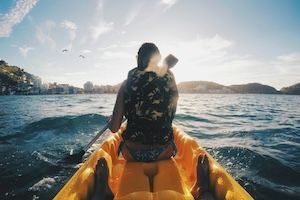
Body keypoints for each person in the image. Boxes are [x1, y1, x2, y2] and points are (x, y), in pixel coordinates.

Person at [91, 43, 211, 200]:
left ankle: (102, 190)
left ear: (137, 59)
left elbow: (114, 128)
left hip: (132, 153)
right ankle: (202, 189)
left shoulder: (127, 84)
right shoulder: (169, 79)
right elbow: (169, 112)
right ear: (158, 60)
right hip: (164, 152)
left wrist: (114, 118)